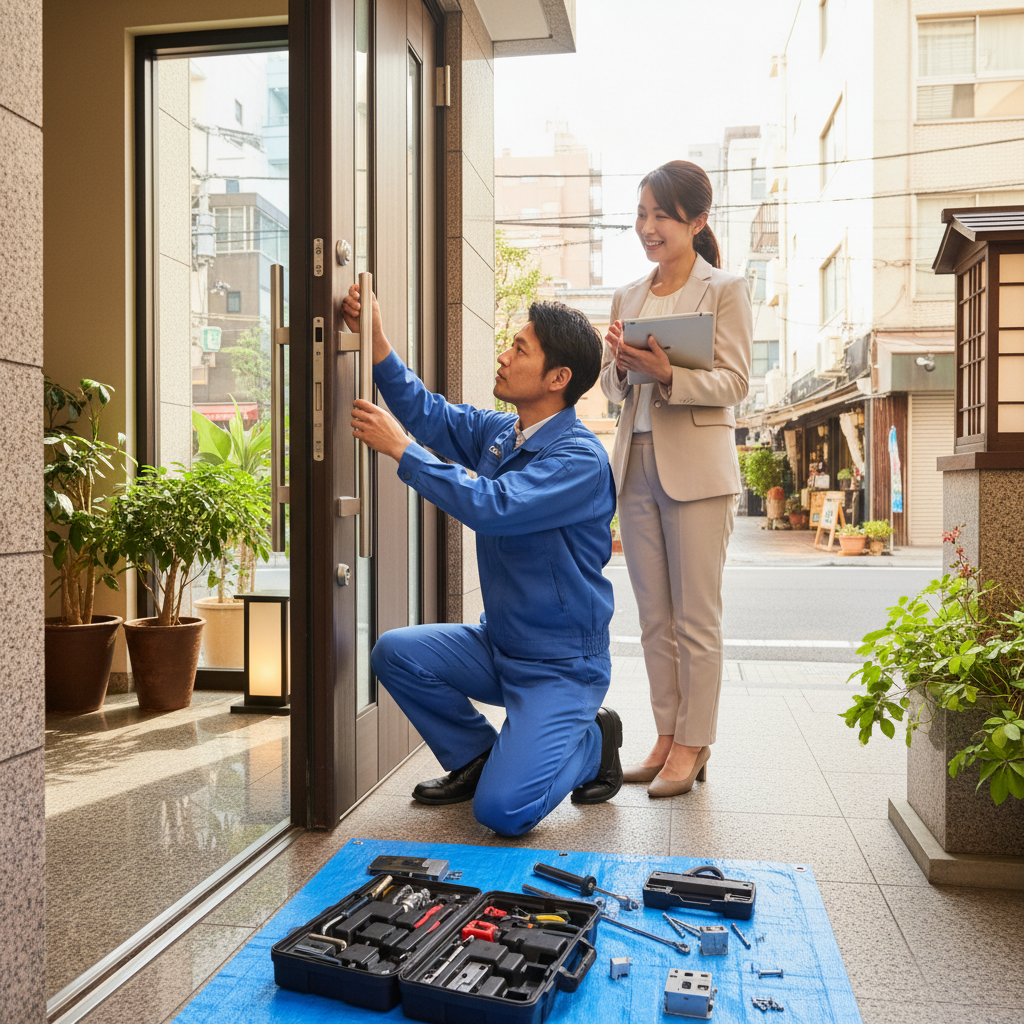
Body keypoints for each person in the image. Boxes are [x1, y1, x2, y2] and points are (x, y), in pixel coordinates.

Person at [341, 284, 621, 837]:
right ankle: (476, 757)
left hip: (561, 666)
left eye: (520, 349)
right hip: (500, 645)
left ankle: (592, 742)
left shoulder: (579, 459)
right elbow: (430, 415)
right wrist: (377, 342)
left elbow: (494, 507)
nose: (504, 355)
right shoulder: (503, 434)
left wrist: (401, 449)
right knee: (396, 653)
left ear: (558, 378)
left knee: (503, 813)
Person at [600, 160, 752, 798]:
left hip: (697, 471)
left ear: (696, 221)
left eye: (661, 215)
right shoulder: (628, 296)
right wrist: (619, 364)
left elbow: (735, 383)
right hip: (635, 465)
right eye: (642, 214)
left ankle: (694, 742)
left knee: (696, 619)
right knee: (654, 619)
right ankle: (666, 736)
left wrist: (668, 373)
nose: (649, 227)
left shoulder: (724, 289)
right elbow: (612, 391)